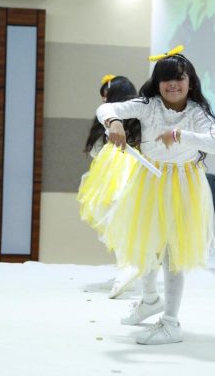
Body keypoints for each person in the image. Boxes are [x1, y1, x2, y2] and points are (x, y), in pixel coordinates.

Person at [94, 45, 215, 344]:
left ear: (190, 82)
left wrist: (180, 135)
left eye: (179, 78)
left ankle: (171, 322)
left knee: (172, 253)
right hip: (150, 179)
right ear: (157, 82)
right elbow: (106, 109)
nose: (172, 84)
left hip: (183, 184)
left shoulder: (196, 112)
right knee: (146, 242)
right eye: (166, 78)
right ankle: (150, 299)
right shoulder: (148, 105)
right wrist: (114, 122)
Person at [79, 75, 141, 299]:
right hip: (113, 170)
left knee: (118, 214)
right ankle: (127, 265)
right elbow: (96, 148)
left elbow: (97, 149)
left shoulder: (132, 113)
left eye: (107, 96)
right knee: (114, 216)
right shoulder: (111, 116)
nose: (104, 101)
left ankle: (129, 265)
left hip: (125, 168)